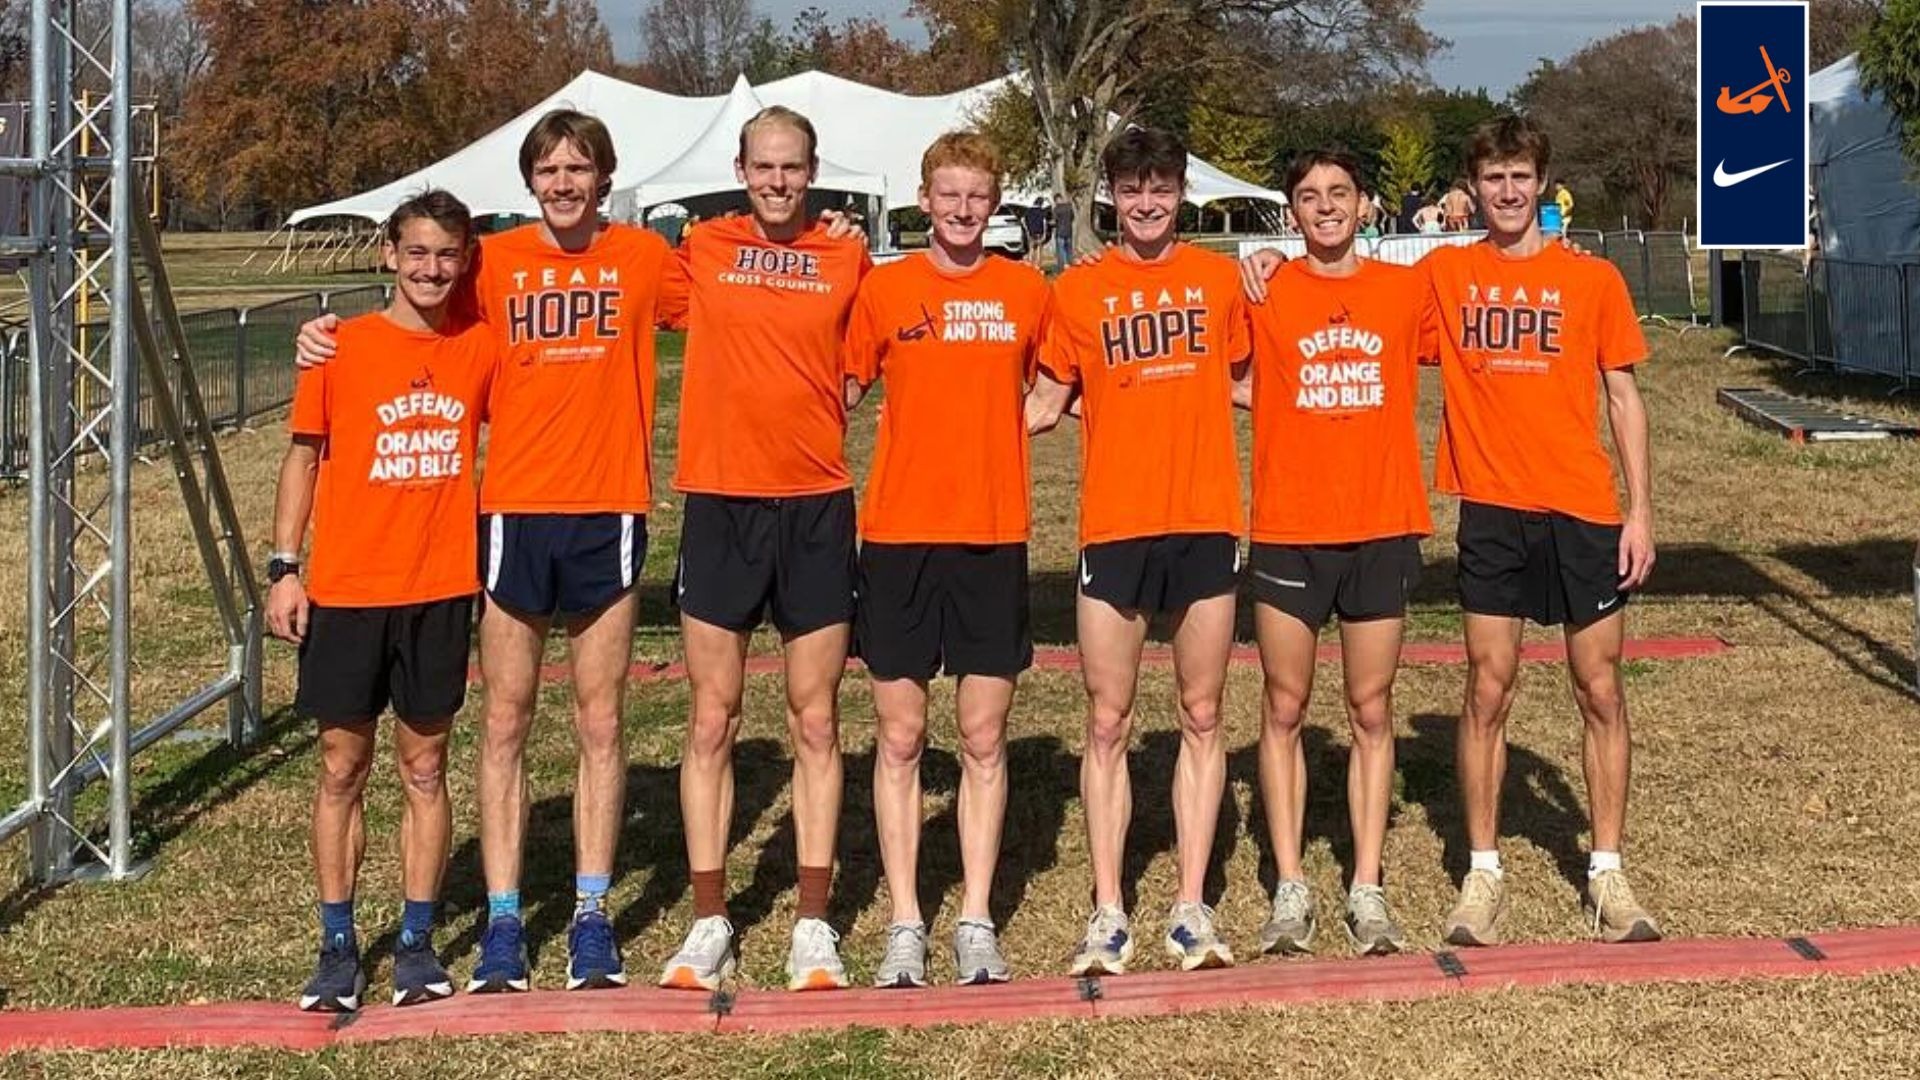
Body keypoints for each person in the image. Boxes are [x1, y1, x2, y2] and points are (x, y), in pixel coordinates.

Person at [296, 109, 676, 994]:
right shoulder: (493, 261)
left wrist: (829, 235)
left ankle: (589, 914)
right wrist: (328, 335)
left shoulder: (649, 258)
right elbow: (409, 310)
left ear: (604, 178)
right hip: (511, 513)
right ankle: (503, 919)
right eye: (549, 169)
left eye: (579, 167)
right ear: (531, 181)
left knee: (601, 721)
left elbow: (740, 299)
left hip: (609, 507)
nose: (564, 182)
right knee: (503, 722)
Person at [656, 105, 873, 994]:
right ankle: (710, 919)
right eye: (764, 167)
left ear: (812, 171)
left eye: (793, 168)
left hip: (817, 505)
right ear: (741, 171)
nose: (778, 181)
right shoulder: (700, 248)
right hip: (721, 504)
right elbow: (604, 284)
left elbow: (875, 352)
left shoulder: (850, 255)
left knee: (815, 719)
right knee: (713, 717)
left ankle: (814, 924)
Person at [1428, 118, 1657, 947]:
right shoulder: (1447, 276)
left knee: (1599, 687)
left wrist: (1640, 511)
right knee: (1489, 686)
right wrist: (1268, 262)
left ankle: (1606, 871)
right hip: (1490, 508)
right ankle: (1482, 871)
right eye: (1492, 177)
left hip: (1585, 511)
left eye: (1520, 175)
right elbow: (1353, 300)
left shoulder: (1592, 280)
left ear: (1543, 183)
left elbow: (1624, 397)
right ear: (1472, 187)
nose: (1508, 191)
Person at [1027, 127, 1249, 977]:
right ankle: (1109, 911)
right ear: (1111, 196)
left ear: (1182, 191)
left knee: (1201, 714)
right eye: (1132, 189)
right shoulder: (1077, 292)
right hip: (1114, 526)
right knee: (1108, 720)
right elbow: (1047, 399)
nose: (1147, 203)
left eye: (1160, 188)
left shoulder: (1219, 279)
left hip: (1202, 520)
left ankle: (1192, 907)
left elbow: (1245, 381)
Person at [271, 190, 497, 1012]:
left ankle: (415, 939)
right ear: (389, 257)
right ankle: (337, 942)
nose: (431, 268)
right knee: (341, 768)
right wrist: (283, 568)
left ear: (464, 259)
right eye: (417, 253)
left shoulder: (481, 349)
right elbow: (303, 458)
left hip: (439, 590)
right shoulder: (340, 348)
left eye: (447, 254)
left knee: (425, 767)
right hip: (348, 590)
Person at [842, 131, 1051, 988]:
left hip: (992, 536)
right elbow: (841, 388)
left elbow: (1057, 384)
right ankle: (903, 922)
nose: (964, 211)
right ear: (923, 200)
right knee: (899, 736)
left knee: (982, 736)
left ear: (993, 204)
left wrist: (1005, 432)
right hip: (897, 538)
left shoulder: (1027, 290)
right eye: (948, 195)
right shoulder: (883, 290)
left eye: (978, 197)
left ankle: (973, 918)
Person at [1232, 150, 1436, 957]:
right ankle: (1289, 887)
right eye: (1309, 197)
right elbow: (1205, 369)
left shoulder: (1403, 290)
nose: (1325, 208)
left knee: (1371, 709)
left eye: (1339, 194)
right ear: (1291, 211)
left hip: (1381, 522)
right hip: (1289, 524)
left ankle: (1367, 886)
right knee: (1284, 707)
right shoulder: (1264, 288)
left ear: (1365, 204)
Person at [1051, 191, 1076, 269]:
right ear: (1061, 199)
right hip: (1069, 231)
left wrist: (1051, 224)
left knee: (1061, 249)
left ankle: (1065, 264)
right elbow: (1072, 217)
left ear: (1055, 201)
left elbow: (1055, 221)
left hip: (1060, 232)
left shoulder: (1056, 209)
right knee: (1069, 249)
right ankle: (1070, 262)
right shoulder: (1069, 207)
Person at [1025, 196, 1051, 266]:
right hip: (1039, 232)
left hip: (1031, 232)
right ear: (1041, 203)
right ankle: (1037, 265)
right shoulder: (1042, 212)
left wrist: (1027, 230)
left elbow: (1024, 221)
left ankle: (1030, 264)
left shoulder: (1028, 211)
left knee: (1031, 249)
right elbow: (1044, 222)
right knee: (1039, 249)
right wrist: (1045, 233)